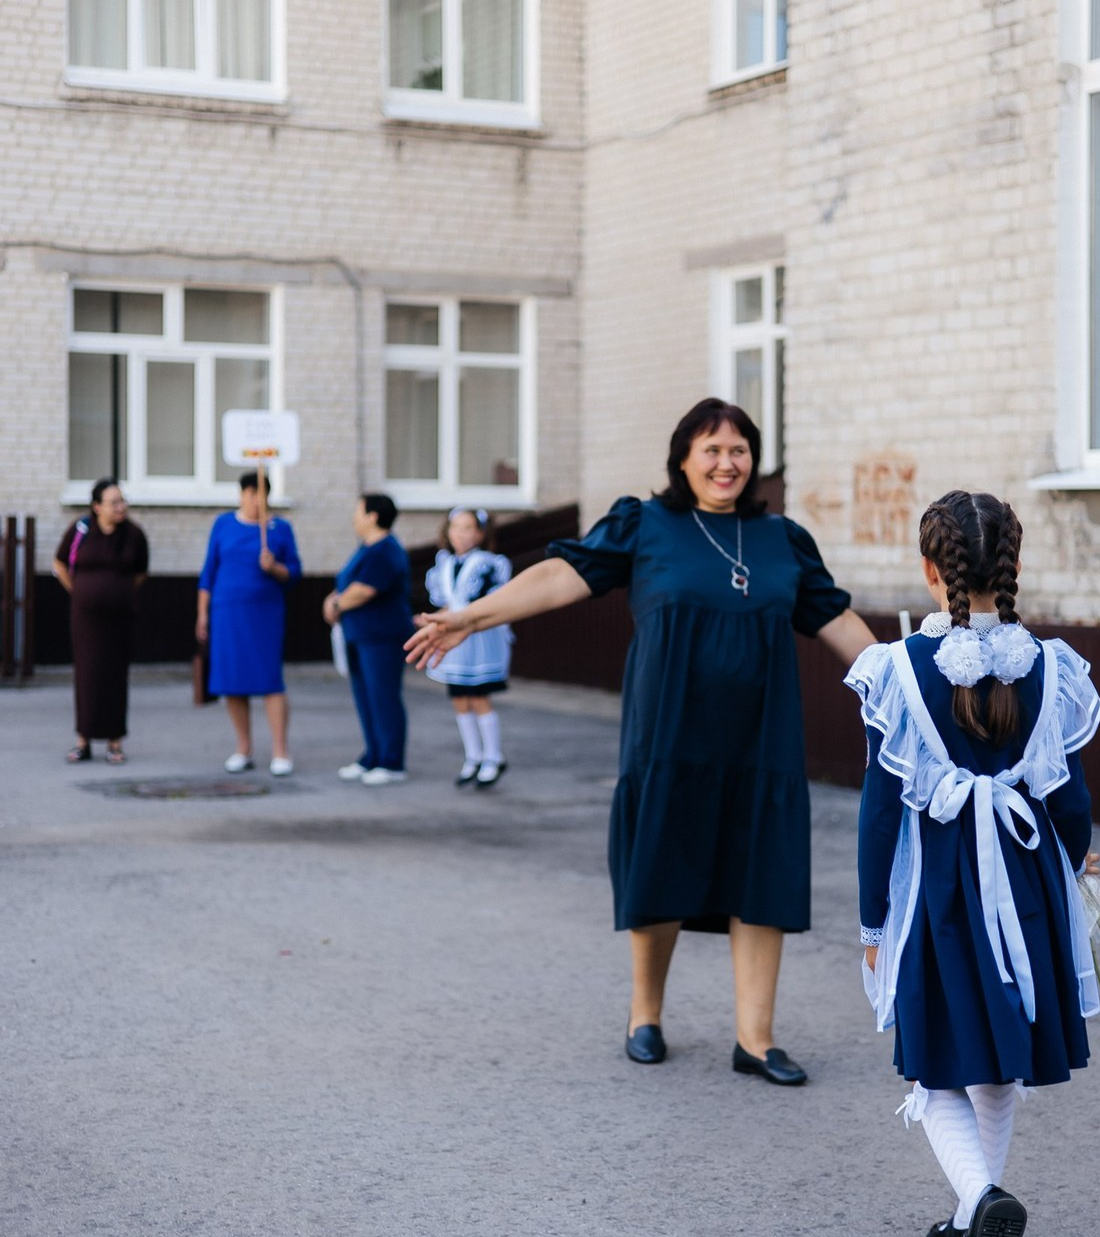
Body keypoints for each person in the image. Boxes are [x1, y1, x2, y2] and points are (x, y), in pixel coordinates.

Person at [405, 398, 877, 1083]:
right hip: (668, 736)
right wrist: (471, 619)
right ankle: (645, 1014)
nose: (726, 462)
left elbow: (837, 623)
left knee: (762, 873)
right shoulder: (646, 524)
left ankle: (756, 1039)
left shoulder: (782, 541)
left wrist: (909, 690)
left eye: (739, 449)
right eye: (711, 449)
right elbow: (559, 576)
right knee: (662, 864)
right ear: (682, 458)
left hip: (762, 743)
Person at [846, 490, 1100, 1237]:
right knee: (997, 1057)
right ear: (1016, 565)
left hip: (941, 891)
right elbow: (1071, 801)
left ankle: (979, 1203)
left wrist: (873, 918)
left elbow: (879, 812)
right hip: (1025, 884)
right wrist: (1079, 867)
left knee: (935, 1062)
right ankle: (974, 1216)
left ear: (932, 570)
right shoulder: (1050, 668)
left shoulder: (900, 668)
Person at [196, 472, 302, 776]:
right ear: (241, 495)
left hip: (263, 614)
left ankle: (281, 750)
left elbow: (294, 572)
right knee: (233, 682)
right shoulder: (223, 525)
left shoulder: (279, 529)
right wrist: (202, 613)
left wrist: (275, 567)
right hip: (226, 613)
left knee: (270, 680)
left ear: (268, 496)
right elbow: (208, 572)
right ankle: (244, 748)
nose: (255, 500)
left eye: (260, 494)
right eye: (249, 493)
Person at [53, 478, 149, 764]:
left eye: (123, 501)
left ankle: (114, 741)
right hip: (86, 619)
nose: (121, 507)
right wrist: (80, 591)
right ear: (97, 507)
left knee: (115, 675)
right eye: (114, 502)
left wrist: (118, 592)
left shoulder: (133, 534)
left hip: (119, 618)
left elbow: (140, 572)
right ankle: (83, 740)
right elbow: (59, 564)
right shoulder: (81, 530)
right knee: (87, 675)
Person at [323, 494, 414, 787]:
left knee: (383, 696)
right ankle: (372, 756)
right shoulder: (367, 548)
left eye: (358, 511)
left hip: (382, 637)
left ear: (373, 516)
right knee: (366, 698)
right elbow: (350, 585)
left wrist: (336, 605)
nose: (354, 517)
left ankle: (392, 762)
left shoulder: (386, 550)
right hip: (360, 636)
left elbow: (365, 590)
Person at [421, 508, 513, 788]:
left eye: (468, 528)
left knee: (479, 696)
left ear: (480, 533)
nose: (461, 534)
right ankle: (472, 756)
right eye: (455, 528)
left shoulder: (490, 564)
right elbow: (447, 602)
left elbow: (492, 601)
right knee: (460, 698)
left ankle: (493, 756)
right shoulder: (443, 565)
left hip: (480, 638)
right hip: (455, 643)